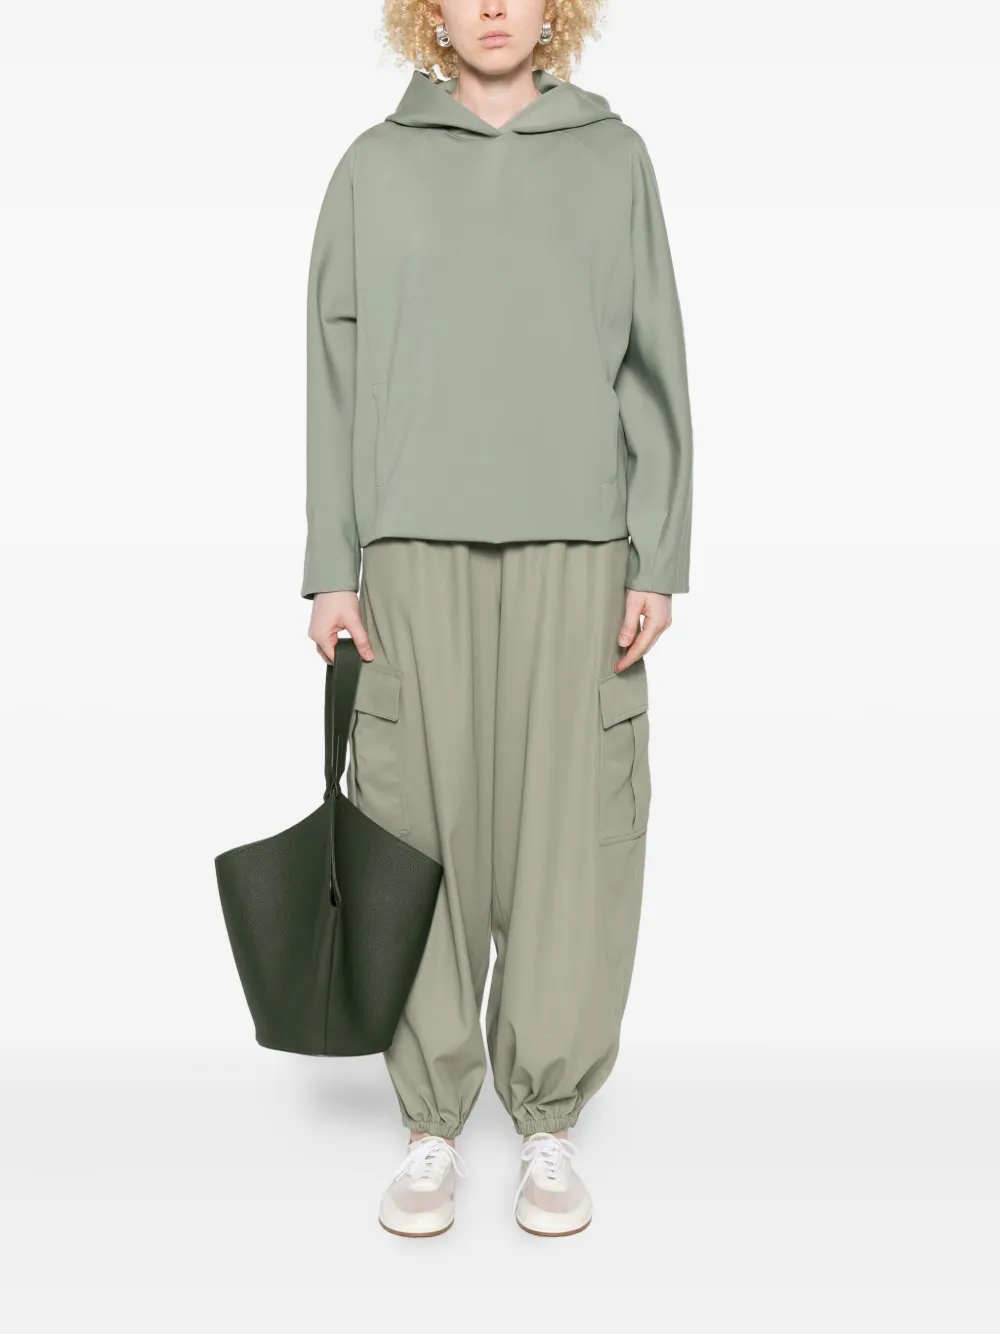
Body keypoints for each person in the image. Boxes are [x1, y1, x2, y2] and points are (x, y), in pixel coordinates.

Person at [302, 0, 693, 1238]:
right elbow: (332, 378)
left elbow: (654, 363)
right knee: (414, 822)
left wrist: (657, 553)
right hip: (410, 545)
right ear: (425, 11)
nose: (489, 7)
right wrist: (331, 564)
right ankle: (430, 1121)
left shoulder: (612, 160)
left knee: (570, 831)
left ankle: (547, 1119)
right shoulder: (374, 168)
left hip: (580, 543)